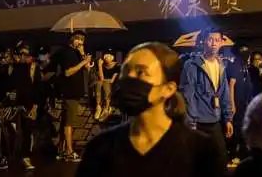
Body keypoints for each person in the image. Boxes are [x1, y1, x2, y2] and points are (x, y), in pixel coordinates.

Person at [77, 42, 222, 177]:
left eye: (141, 72)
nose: (130, 78)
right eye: (126, 71)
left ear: (168, 89)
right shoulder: (100, 148)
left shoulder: (200, 151)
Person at [180, 28, 234, 171]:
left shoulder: (221, 65)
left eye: (217, 40)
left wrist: (228, 118)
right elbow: (187, 94)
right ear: (204, 42)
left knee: (220, 160)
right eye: (210, 40)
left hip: (215, 119)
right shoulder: (191, 65)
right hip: (197, 122)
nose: (214, 43)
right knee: (198, 164)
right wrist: (191, 121)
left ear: (222, 43)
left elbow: (224, 92)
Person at [0, 42, 39, 171]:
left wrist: (36, 105)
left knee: (27, 133)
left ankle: (26, 158)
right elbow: (0, 86)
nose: (23, 57)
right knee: (7, 133)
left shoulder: (33, 68)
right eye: (21, 53)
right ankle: (5, 159)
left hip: (27, 105)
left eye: (26, 54)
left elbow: (37, 88)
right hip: (9, 105)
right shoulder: (9, 68)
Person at [54, 30, 93, 162]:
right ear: (71, 39)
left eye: (82, 40)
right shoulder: (67, 53)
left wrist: (83, 55)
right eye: (77, 39)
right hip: (69, 91)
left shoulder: (77, 53)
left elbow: (87, 68)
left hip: (76, 91)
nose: (80, 42)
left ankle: (61, 150)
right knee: (69, 122)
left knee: (66, 121)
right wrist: (83, 62)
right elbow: (68, 72)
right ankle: (69, 151)